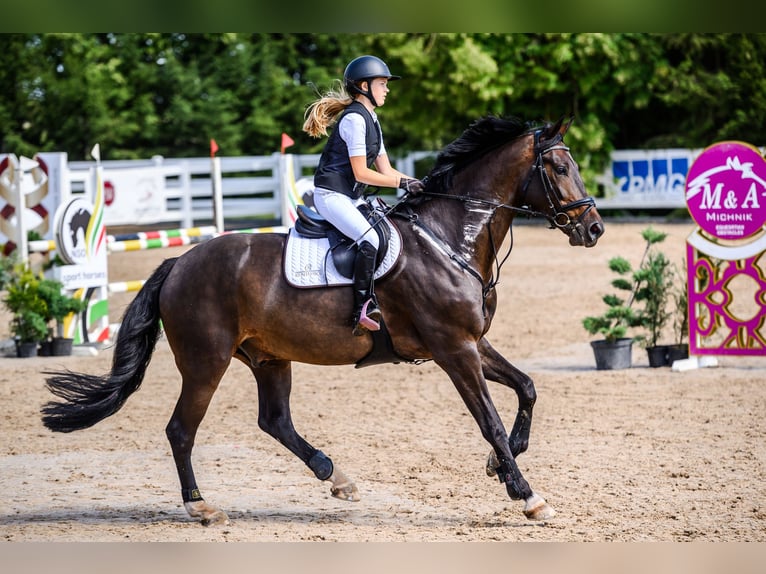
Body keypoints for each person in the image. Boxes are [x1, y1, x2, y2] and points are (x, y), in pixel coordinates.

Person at [303, 55, 424, 336]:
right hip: (331, 195)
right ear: (364, 86)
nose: (387, 89)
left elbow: (385, 168)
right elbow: (361, 173)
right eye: (382, 83)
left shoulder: (372, 119)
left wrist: (414, 181)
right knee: (369, 239)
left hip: (351, 197)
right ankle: (361, 308)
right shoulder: (354, 120)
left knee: (388, 232)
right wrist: (402, 183)